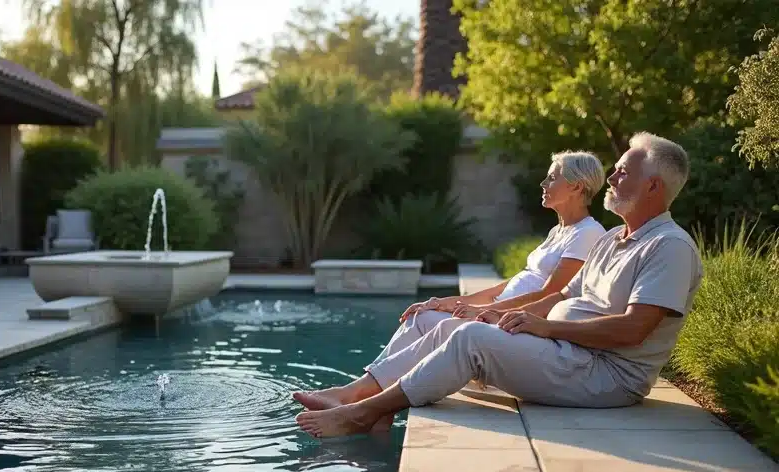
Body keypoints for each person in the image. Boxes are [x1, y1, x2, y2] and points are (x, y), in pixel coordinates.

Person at [294, 132, 703, 438]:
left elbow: (635, 329)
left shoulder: (669, 247)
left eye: (623, 172)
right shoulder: (615, 239)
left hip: (607, 375)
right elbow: (561, 294)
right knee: (448, 326)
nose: (612, 177)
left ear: (653, 186)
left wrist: (547, 327)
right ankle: (366, 401)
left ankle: (363, 412)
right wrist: (511, 315)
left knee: (472, 338)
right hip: (569, 354)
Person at [371, 151, 608, 371]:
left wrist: (482, 311)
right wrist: (446, 302)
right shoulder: (558, 231)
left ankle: (364, 393)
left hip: (514, 325)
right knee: (422, 316)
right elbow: (506, 286)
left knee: (431, 325)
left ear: (576, 186)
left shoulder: (587, 233)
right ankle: (367, 390)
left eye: (552, 178)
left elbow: (550, 295)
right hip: (496, 314)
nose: (543, 184)